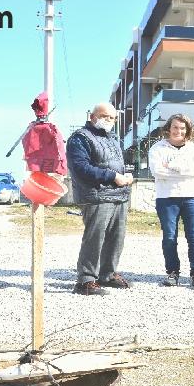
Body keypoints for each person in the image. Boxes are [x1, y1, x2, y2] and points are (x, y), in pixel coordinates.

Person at [66, 102, 134, 296]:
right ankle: (86, 280)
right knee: (95, 238)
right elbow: (81, 167)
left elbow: (116, 165)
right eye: (104, 116)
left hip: (118, 195)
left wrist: (126, 175)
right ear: (92, 116)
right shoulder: (80, 138)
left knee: (116, 237)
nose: (109, 121)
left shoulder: (113, 139)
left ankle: (107, 274)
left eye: (112, 118)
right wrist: (112, 176)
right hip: (96, 195)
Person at [148, 114, 194, 290]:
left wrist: (172, 166)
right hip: (166, 198)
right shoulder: (157, 149)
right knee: (169, 237)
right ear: (169, 128)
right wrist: (183, 170)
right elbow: (157, 172)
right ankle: (172, 272)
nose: (178, 131)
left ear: (188, 130)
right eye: (175, 127)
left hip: (192, 197)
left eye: (182, 128)